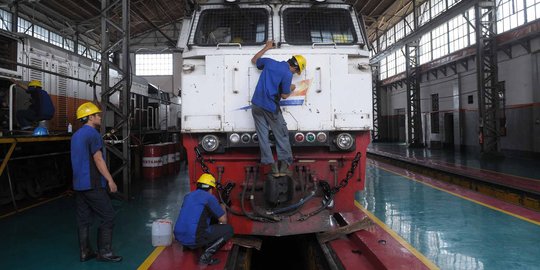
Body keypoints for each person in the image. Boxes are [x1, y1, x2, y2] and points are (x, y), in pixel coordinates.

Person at [70, 102, 122, 263]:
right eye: (97, 115)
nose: (100, 117)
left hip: (79, 185)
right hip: (93, 184)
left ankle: (85, 252)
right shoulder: (93, 134)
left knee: (83, 219)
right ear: (90, 117)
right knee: (108, 215)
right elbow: (98, 159)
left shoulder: (76, 135)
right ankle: (105, 253)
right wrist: (110, 180)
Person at [250, 40, 306, 177]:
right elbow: (284, 95)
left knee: (263, 136)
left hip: (256, 105)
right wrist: (292, 88)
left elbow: (254, 60)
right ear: (295, 68)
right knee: (281, 134)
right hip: (270, 107)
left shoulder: (270, 62)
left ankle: (272, 166)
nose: (294, 73)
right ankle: (284, 166)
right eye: (296, 71)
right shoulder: (288, 74)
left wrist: (266, 47)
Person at [174, 173, 233, 265]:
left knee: (201, 221)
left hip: (179, 237)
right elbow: (223, 220)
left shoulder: (188, 196)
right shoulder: (209, 197)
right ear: (210, 189)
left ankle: (188, 246)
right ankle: (206, 256)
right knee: (229, 230)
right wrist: (223, 205)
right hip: (193, 238)